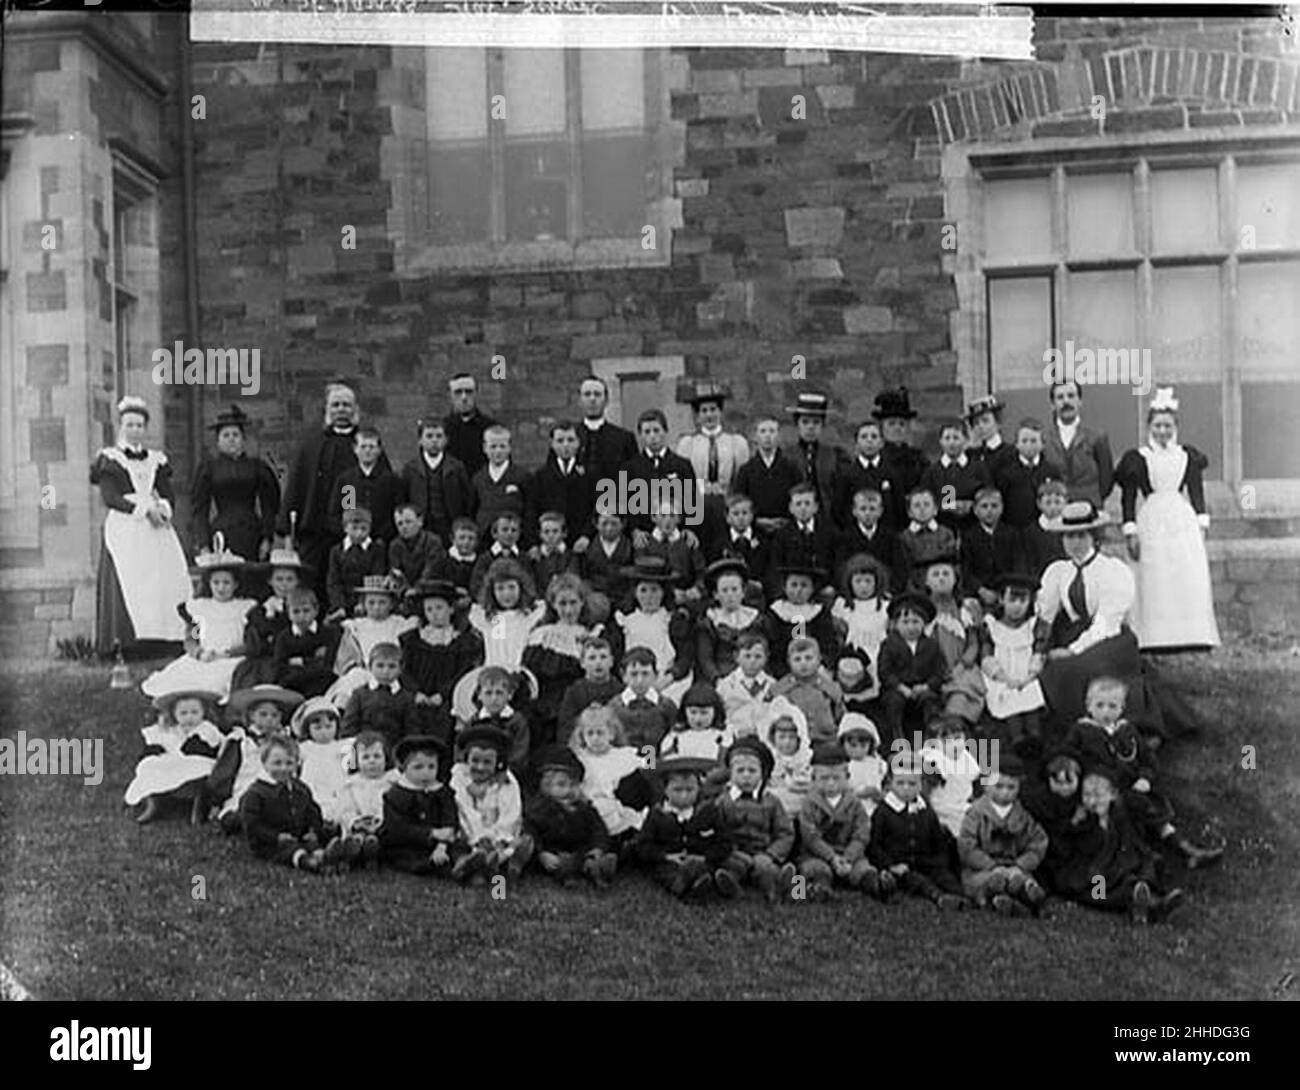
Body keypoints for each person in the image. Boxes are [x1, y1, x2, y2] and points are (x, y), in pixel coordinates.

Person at [1116, 387, 1221, 652]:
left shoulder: (1187, 456)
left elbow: (1197, 491)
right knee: (1155, 573)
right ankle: (1153, 636)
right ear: (1149, 427)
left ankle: (1190, 633)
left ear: (1176, 426)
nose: (1162, 431)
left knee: (1184, 572)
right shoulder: (1139, 458)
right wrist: (1130, 530)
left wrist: (1201, 523)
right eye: (1157, 425)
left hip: (1180, 517)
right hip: (1151, 516)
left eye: (1167, 426)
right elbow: (1128, 498)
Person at [91, 395, 191, 654]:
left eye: (139, 425)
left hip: (155, 527)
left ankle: (161, 639)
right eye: (129, 425)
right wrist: (145, 510)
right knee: (130, 578)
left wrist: (163, 509)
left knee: (162, 578)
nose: (134, 430)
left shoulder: (155, 460)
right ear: (120, 427)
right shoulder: (110, 459)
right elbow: (110, 498)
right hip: (126, 526)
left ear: (145, 428)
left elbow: (168, 493)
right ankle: (125, 642)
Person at [1034, 500, 1143, 736]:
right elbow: (1045, 615)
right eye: (1068, 537)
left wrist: (1073, 650)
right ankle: (1067, 729)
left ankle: (1097, 726)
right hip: (1074, 632)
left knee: (1076, 668)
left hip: (1111, 640)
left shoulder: (1112, 570)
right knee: (1050, 667)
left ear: (1094, 537)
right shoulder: (1058, 571)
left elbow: (1106, 623)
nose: (1074, 543)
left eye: (1081, 536)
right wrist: (1038, 649)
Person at [278, 381, 389, 597]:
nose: (341, 410)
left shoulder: (365, 444)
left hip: (351, 532)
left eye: (346, 405)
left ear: (355, 409)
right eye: (336, 405)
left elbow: (379, 486)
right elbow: (297, 486)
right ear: (327, 409)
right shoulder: (312, 444)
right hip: (315, 529)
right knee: (310, 583)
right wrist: (286, 530)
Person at [1054, 767, 1185, 924]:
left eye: (1098, 796)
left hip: (1121, 868)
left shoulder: (1119, 817)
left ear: (1113, 795)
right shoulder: (1081, 821)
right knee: (1106, 889)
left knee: (1145, 865)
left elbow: (1130, 844)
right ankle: (1149, 905)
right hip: (1095, 877)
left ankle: (1146, 902)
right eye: (1086, 795)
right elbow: (1082, 853)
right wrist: (1082, 825)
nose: (1092, 802)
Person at [141, 542, 258, 703]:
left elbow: (250, 641)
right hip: (205, 657)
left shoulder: (243, 609)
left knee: (218, 681)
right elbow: (193, 637)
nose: (221, 588)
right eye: (216, 583)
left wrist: (229, 653)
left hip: (231, 658)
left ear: (235, 585)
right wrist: (199, 653)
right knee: (183, 678)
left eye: (226, 583)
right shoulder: (201, 609)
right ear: (209, 584)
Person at [867, 751, 966, 909]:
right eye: (900, 783)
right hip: (899, 866)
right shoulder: (883, 812)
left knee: (947, 880)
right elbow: (874, 846)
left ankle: (962, 898)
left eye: (912, 784)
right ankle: (939, 898)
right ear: (890, 782)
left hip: (925, 863)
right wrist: (889, 865)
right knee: (915, 880)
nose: (906, 789)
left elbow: (938, 843)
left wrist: (939, 864)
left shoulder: (925, 811)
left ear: (920, 784)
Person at [189, 404, 280, 576]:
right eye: (226, 435)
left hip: (252, 532)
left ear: (243, 439)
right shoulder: (209, 469)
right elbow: (200, 509)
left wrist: (267, 537)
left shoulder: (257, 467)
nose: (231, 439)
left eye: (235, 435)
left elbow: (269, 505)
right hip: (222, 533)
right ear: (218, 441)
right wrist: (203, 544)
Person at [956, 752, 1049, 916]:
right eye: (999, 786)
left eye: (1011, 787)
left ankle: (1028, 894)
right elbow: (967, 845)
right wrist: (991, 866)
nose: (1005, 792)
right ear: (987, 785)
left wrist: (1020, 865)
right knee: (985, 883)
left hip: (1014, 866)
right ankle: (997, 899)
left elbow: (1038, 842)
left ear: (1019, 788)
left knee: (1020, 880)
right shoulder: (976, 813)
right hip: (983, 868)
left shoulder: (1023, 815)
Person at [239, 735, 348, 873]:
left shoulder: (300, 788)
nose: (284, 768)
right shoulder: (257, 793)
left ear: (297, 763)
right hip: (270, 842)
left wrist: (313, 830)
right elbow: (252, 824)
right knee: (292, 850)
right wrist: (275, 836)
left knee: (315, 841)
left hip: (298, 834)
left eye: (289, 763)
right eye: (277, 763)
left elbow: (312, 811)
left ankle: (327, 856)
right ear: (265, 763)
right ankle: (309, 862)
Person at [636, 755, 735, 900]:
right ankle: (685, 887)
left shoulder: (708, 812)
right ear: (665, 790)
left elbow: (725, 842)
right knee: (665, 872)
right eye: (677, 790)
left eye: (690, 790)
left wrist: (706, 857)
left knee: (713, 868)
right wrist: (665, 856)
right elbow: (643, 845)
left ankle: (717, 883)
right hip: (670, 861)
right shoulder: (657, 814)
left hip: (702, 859)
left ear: (699, 789)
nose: (684, 795)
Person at [713, 736, 797, 904]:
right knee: (733, 866)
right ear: (730, 773)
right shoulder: (723, 801)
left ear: (762, 774)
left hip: (763, 851)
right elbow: (717, 831)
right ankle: (731, 887)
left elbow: (785, 833)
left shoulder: (771, 801)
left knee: (765, 869)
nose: (746, 776)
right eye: (740, 771)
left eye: (752, 771)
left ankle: (775, 888)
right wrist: (729, 850)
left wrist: (772, 854)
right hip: (735, 852)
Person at [400, 578, 484, 746]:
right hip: (418, 697)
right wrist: (416, 692)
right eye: (429, 609)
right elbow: (404, 669)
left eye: (439, 608)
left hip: (447, 699)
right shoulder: (412, 640)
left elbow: (463, 672)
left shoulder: (463, 642)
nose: (434, 613)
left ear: (451, 609)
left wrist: (443, 694)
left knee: (444, 732)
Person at [448, 724, 533, 885]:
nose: (480, 767)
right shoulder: (460, 777)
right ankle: (477, 867)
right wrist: (480, 837)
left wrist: (498, 837)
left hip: (499, 836)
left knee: (514, 844)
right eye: (475, 761)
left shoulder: (507, 781)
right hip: (470, 835)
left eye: (487, 762)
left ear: (498, 763)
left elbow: (511, 813)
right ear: (467, 759)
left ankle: (504, 866)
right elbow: (463, 810)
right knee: (458, 845)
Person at [124, 689, 223, 825]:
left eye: (195, 712)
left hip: (196, 761)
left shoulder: (206, 729)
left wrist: (193, 741)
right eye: (183, 713)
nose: (189, 717)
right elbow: (160, 745)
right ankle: (153, 801)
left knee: (199, 767)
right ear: (174, 714)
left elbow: (201, 750)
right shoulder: (170, 730)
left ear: (203, 712)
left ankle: (198, 807)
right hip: (171, 762)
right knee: (149, 764)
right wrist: (157, 750)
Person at [523, 746, 618, 888]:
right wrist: (541, 853)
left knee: (589, 857)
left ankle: (597, 868)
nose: (568, 790)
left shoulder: (585, 809)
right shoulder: (539, 810)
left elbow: (599, 830)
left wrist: (598, 848)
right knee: (564, 863)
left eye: (573, 785)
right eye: (561, 785)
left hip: (581, 850)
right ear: (546, 786)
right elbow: (532, 833)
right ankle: (571, 877)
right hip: (555, 853)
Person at [797, 743, 880, 900]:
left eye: (836, 778)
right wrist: (831, 857)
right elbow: (810, 836)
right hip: (819, 854)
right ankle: (821, 889)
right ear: (813, 779)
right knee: (816, 869)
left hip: (848, 853)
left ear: (847, 778)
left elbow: (861, 833)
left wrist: (849, 857)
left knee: (862, 869)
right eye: (824, 778)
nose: (830, 783)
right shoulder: (809, 803)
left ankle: (875, 885)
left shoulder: (854, 803)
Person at [675, 380, 750, 555]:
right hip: (698, 506)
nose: (709, 415)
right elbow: (684, 480)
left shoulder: (735, 442)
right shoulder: (688, 443)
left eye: (713, 410)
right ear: (697, 415)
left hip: (726, 505)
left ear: (720, 412)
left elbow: (741, 479)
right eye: (704, 411)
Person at [380, 735, 459, 876]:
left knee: (455, 851)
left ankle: (467, 866)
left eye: (431, 767)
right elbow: (397, 829)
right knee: (408, 859)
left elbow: (449, 818)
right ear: (404, 768)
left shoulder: (442, 793)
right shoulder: (396, 795)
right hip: (406, 846)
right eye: (418, 767)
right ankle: (439, 867)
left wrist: (442, 844)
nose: (426, 773)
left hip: (439, 845)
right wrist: (431, 834)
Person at [618, 409, 697, 539]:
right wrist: (634, 530)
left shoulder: (682, 465)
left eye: (656, 430)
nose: (652, 436)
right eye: (647, 432)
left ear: (665, 431)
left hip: (677, 534)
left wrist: (689, 529)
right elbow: (623, 503)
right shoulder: (630, 467)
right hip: (644, 536)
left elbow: (692, 501)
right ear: (640, 435)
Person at [1042, 380, 1115, 508]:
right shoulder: (1044, 439)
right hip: (1057, 512)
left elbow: (1107, 479)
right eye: (1060, 397)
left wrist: (1093, 499)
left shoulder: (1097, 437)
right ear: (1052, 405)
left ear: (1080, 401)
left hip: (1091, 511)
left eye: (1071, 396)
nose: (1066, 402)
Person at [400, 417, 472, 546]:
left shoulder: (457, 467)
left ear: (446, 440)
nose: (434, 440)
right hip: (422, 525)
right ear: (420, 441)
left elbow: (466, 498)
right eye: (429, 436)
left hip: (448, 523)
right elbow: (404, 498)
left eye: (438, 436)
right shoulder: (410, 468)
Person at [330, 426, 405, 548]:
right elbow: (336, 513)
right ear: (355, 449)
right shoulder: (346, 480)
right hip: (351, 544)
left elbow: (397, 513)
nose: (367, 451)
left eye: (371, 447)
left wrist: (380, 537)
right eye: (363, 447)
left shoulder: (392, 481)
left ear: (379, 450)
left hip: (381, 544)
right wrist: (350, 535)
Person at [526, 421, 596, 551]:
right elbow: (532, 510)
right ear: (552, 444)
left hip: (581, 543)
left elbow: (596, 508)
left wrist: (586, 536)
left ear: (578, 443)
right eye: (560, 440)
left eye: (570, 440)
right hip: (549, 544)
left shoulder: (591, 475)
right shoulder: (541, 476)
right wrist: (533, 543)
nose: (565, 445)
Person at [694, 558, 764, 683]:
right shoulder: (710, 621)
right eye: (724, 591)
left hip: (753, 673)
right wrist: (717, 679)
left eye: (734, 589)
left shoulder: (756, 618)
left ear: (743, 592)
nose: (730, 595)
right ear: (716, 594)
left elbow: (763, 649)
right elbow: (705, 658)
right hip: (722, 675)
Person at [335, 730, 397, 869]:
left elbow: (394, 808)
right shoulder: (350, 784)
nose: (372, 761)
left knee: (377, 839)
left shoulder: (393, 782)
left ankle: (373, 853)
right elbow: (344, 809)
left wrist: (379, 821)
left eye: (377, 756)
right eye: (366, 757)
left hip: (382, 826)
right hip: (358, 825)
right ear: (356, 760)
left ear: (386, 758)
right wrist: (355, 822)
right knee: (357, 837)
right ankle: (353, 851)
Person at [733, 416, 802, 534]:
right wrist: (756, 520)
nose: (767, 436)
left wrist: (786, 521)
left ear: (779, 435)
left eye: (772, 431)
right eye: (763, 431)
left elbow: (799, 497)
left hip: (786, 529)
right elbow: (739, 501)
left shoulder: (791, 468)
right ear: (755, 436)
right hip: (756, 530)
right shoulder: (746, 470)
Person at [783, 391, 845, 520]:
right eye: (805, 422)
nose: (810, 427)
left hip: (827, 519)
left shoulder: (835, 455)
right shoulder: (785, 455)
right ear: (797, 424)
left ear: (822, 425)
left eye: (816, 422)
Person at [576, 376, 639, 487]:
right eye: (587, 394)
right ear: (580, 400)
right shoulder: (568, 437)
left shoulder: (624, 439)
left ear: (606, 400)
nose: (592, 399)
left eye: (597, 394)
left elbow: (635, 480)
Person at [873, 386, 928, 504]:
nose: (897, 428)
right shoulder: (875, 460)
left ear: (908, 428)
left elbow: (943, 485)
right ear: (881, 427)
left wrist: (949, 507)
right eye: (891, 423)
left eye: (902, 424)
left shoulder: (919, 460)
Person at [444, 373, 498, 478]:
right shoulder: (442, 430)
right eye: (458, 392)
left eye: (468, 392)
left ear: (476, 394)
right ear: (450, 396)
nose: (464, 397)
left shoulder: (491, 428)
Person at [964, 394, 1015, 476]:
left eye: (985, 421)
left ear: (998, 422)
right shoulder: (970, 455)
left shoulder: (1012, 454)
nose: (981, 426)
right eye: (976, 423)